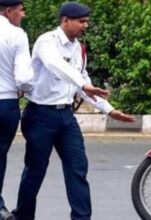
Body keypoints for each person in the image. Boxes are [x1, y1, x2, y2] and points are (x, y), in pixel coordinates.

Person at [11, 2, 136, 220]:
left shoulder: (78, 48)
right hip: (40, 115)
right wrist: (84, 85)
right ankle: (23, 216)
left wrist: (109, 110)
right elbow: (56, 66)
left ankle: (81, 218)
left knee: (78, 168)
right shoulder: (47, 41)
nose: (85, 25)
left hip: (66, 117)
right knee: (35, 170)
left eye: (87, 21)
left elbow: (83, 82)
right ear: (65, 20)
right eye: (81, 21)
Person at [0, 0, 33, 219]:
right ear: (9, 11)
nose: (23, 15)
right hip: (5, 103)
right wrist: (25, 89)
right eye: (21, 11)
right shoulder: (16, 35)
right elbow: (24, 77)